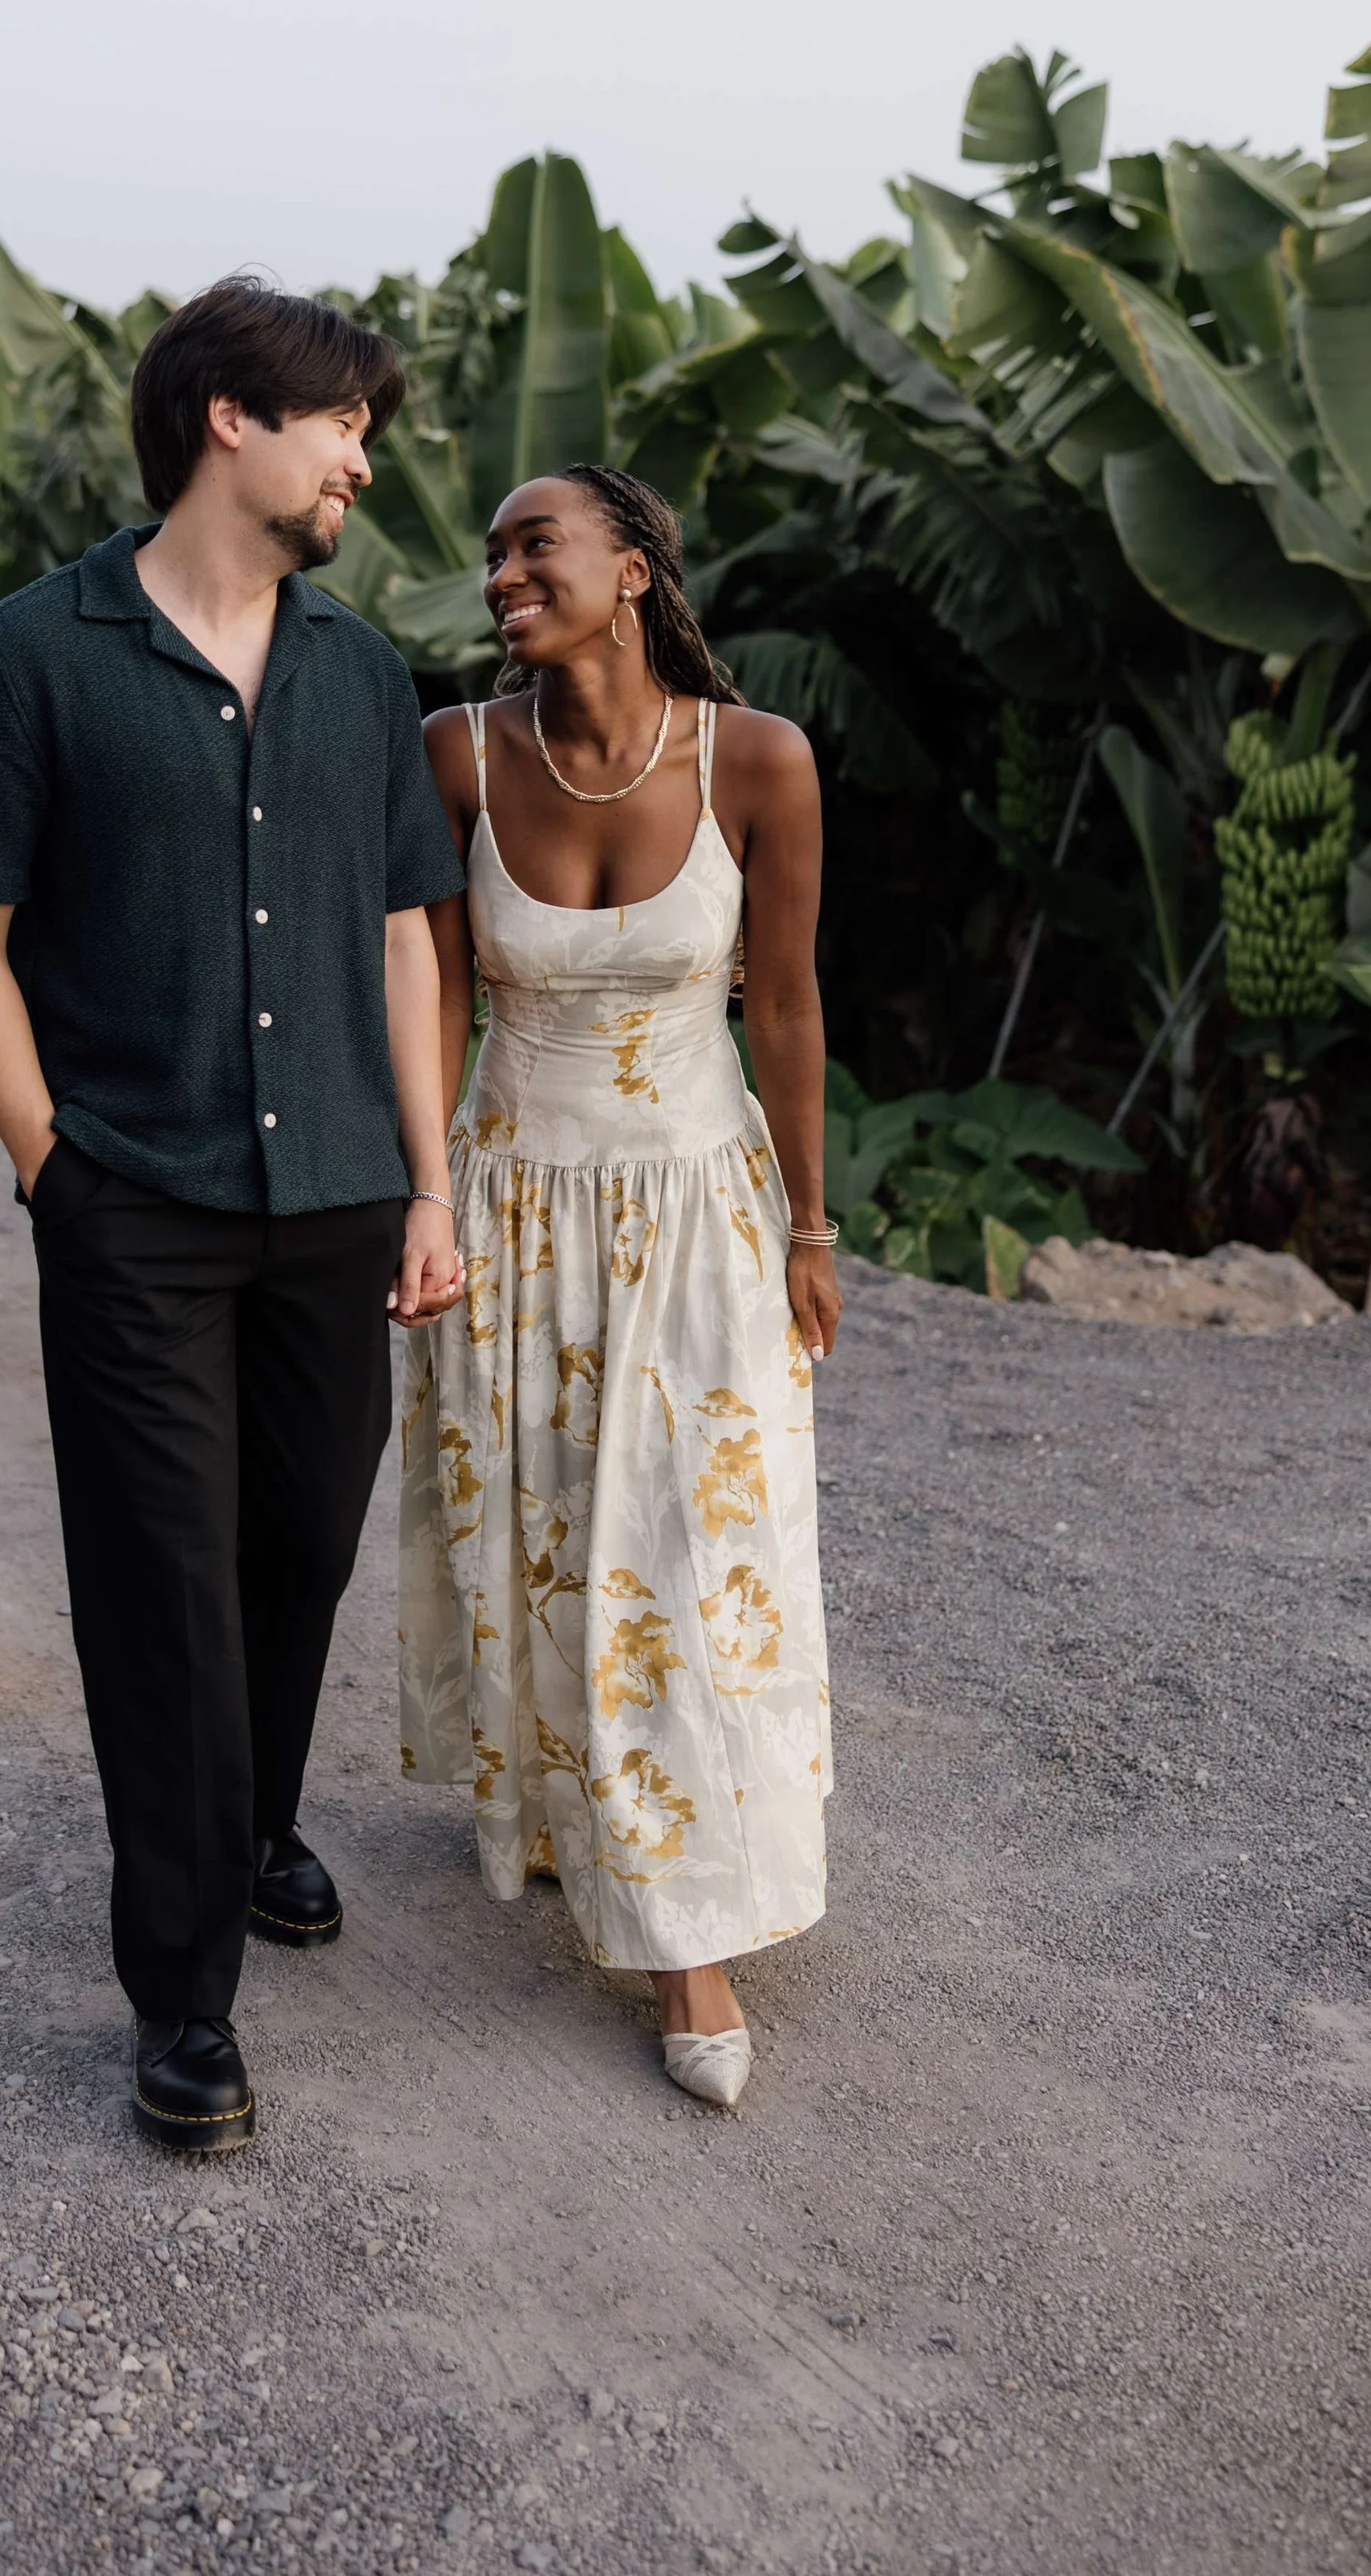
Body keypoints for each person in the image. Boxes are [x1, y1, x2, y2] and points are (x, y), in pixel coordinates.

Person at [0, 278, 466, 2153]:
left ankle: (249, 1826)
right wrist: (47, 1168)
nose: (359, 461)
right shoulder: (28, 656)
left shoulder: (361, 671)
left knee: (296, 1546)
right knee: (162, 1586)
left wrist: (428, 1180)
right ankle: (181, 1999)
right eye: (339, 426)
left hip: (335, 1197)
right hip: (130, 1202)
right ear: (229, 418)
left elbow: (405, 938)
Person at [398, 464, 839, 2110]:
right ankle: (563, 1814)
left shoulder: (760, 762)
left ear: (636, 567)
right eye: (493, 552)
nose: (503, 570)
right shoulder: (454, 753)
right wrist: (422, 1198)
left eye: (537, 542)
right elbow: (429, 997)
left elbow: (782, 1008)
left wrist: (810, 1225)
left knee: (679, 1549)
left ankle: (686, 1944)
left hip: (696, 1212)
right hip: (511, 1205)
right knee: (545, 1533)